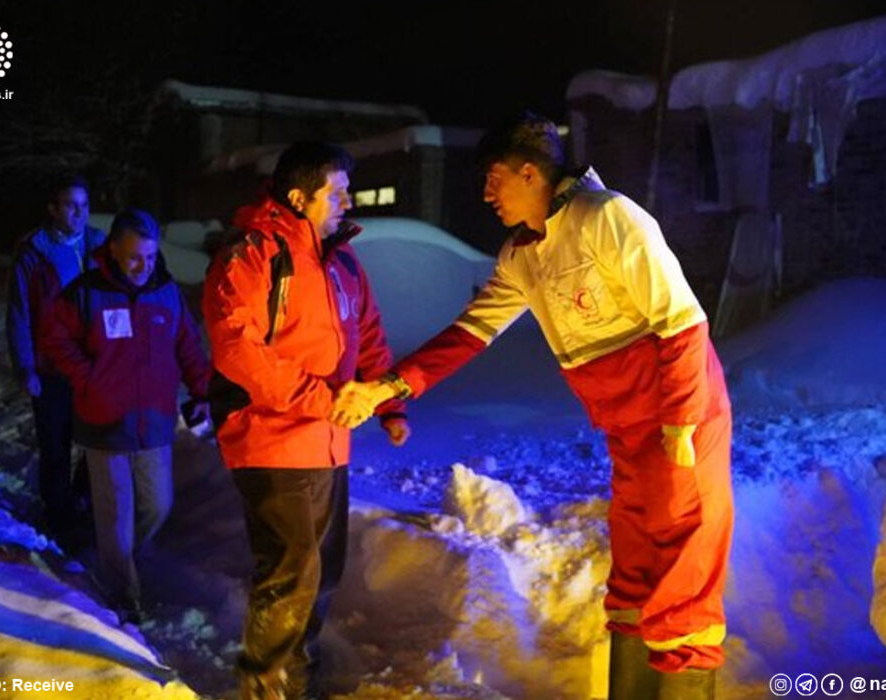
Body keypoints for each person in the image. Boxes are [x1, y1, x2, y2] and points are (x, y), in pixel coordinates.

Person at [333, 113, 734, 700]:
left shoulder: (607, 217)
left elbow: (680, 325)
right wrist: (389, 387)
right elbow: (470, 332)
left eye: (495, 178)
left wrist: (680, 425)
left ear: (530, 171)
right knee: (633, 580)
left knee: (683, 583)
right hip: (628, 431)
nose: (487, 193)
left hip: (680, 420)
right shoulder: (524, 254)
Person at [202, 142, 410, 700]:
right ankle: (265, 686)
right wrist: (319, 399)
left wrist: (388, 402)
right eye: (337, 192)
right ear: (299, 196)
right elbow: (235, 350)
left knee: (321, 572)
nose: (349, 201)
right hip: (270, 438)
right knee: (290, 573)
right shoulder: (253, 255)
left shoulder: (341, 260)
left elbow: (367, 334)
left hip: (329, 443)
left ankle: (294, 676)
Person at [41, 208, 211, 620]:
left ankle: (118, 557)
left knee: (158, 504)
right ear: (113, 249)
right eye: (135, 256)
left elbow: (187, 344)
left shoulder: (165, 292)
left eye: (151, 257)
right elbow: (53, 336)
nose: (143, 266)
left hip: (154, 419)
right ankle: (123, 594)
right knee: (115, 510)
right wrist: (88, 377)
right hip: (104, 421)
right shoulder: (86, 293)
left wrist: (203, 390)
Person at [6, 175, 105, 545]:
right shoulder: (34, 251)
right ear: (52, 208)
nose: (79, 212)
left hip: (91, 363)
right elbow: (19, 313)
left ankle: (82, 499)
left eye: (84, 204)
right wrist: (26, 366)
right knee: (55, 441)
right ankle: (59, 514)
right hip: (50, 365)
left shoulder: (99, 245)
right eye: (70, 204)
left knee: (97, 436)